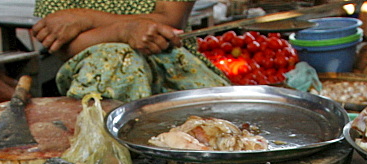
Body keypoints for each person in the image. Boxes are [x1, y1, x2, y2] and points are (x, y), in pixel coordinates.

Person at [31, 0, 229, 100]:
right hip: (98, 74)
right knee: (115, 57)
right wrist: (122, 31)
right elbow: (60, 42)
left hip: (171, 65)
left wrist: (86, 18)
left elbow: (169, 21)